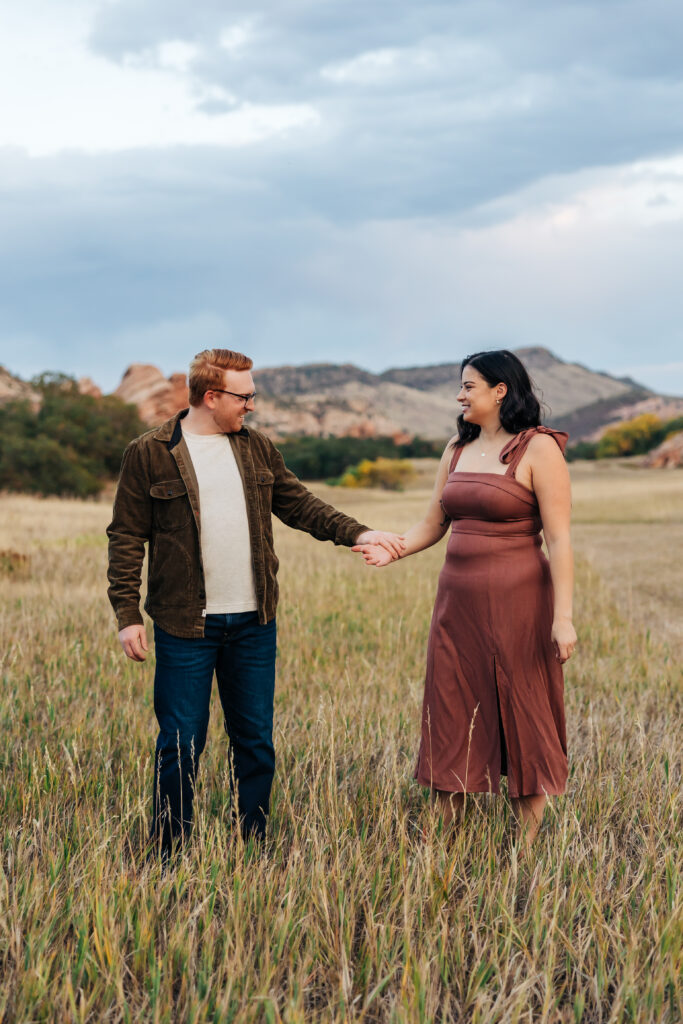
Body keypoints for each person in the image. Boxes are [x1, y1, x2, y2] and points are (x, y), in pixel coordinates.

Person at [107, 348, 404, 858]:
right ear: (210, 396)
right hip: (184, 626)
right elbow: (126, 536)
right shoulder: (150, 452)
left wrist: (359, 531)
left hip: (253, 623)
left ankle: (256, 843)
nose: (252, 405)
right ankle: (169, 850)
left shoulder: (256, 448)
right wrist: (127, 614)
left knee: (256, 743)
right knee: (179, 746)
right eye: (244, 396)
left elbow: (300, 505)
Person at [353, 350, 576, 846]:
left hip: (521, 604)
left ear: (500, 391)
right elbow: (433, 524)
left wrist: (563, 619)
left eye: (468, 386)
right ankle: (438, 837)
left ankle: (529, 845)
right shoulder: (456, 447)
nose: (460, 395)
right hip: (456, 607)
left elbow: (559, 540)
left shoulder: (538, 450)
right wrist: (394, 549)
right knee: (451, 707)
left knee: (523, 706)